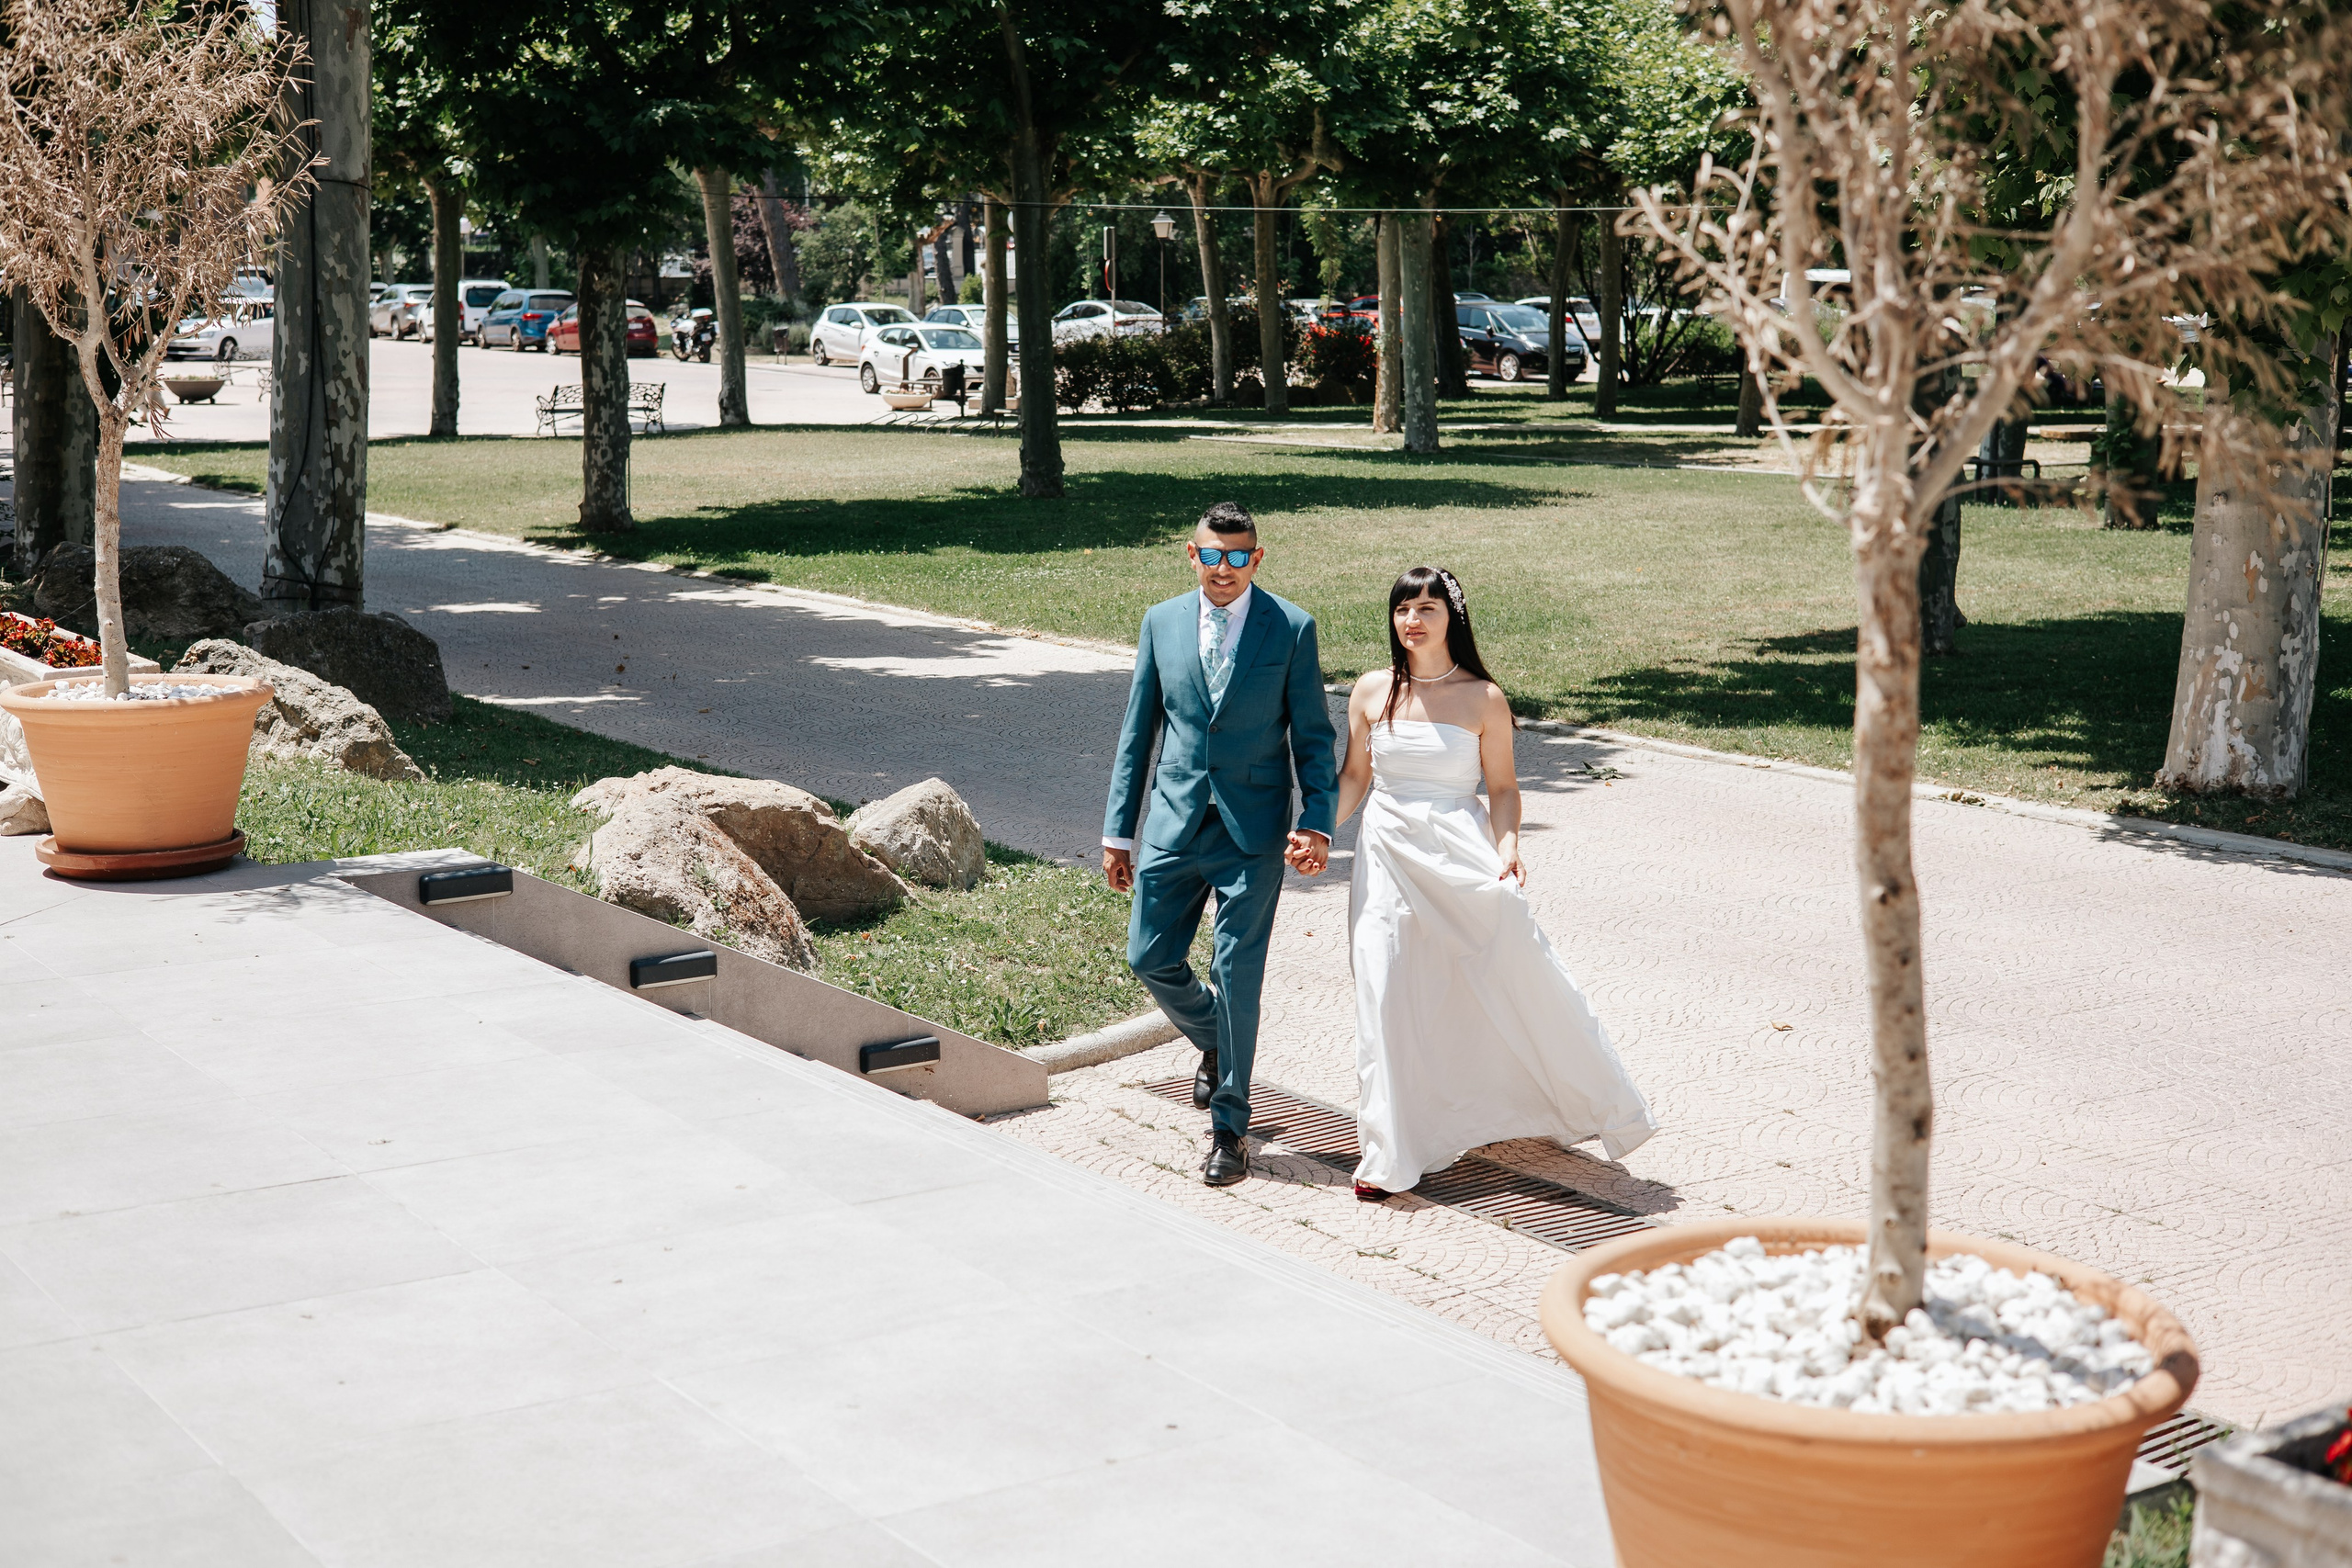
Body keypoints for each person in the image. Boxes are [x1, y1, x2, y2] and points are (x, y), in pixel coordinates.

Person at [1334, 566, 1656, 1200]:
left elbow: (1503, 789)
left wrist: (1508, 846)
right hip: (1387, 859)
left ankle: (1509, 1099)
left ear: (1452, 616)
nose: (1413, 619)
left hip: (1460, 856)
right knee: (1384, 986)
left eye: (1427, 607)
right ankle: (1390, 1152)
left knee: (1495, 979)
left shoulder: (1484, 697)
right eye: (1403, 607)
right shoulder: (1372, 690)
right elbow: (1353, 779)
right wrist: (1316, 830)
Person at [1103, 502, 1340, 1187]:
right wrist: (1120, 831)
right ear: (1193, 554)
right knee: (1148, 955)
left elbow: (1313, 738)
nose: (1225, 568)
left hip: (1252, 833)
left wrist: (1317, 819)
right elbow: (1137, 733)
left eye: (1239, 557)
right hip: (1173, 825)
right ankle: (1216, 1039)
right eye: (1213, 554)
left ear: (1256, 559)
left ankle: (1230, 1129)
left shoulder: (1291, 628)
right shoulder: (1160, 622)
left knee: (1238, 975)